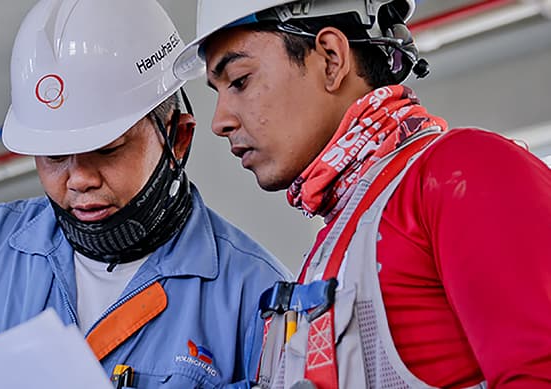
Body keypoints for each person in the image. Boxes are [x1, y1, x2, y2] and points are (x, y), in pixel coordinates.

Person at [0, 0, 290, 387]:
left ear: (177, 138)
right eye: (54, 156)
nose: (78, 179)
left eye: (108, 149)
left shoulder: (257, 295)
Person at [174, 0, 551, 387]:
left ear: (331, 59)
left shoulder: (463, 172)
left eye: (239, 80)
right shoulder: (336, 243)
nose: (220, 121)